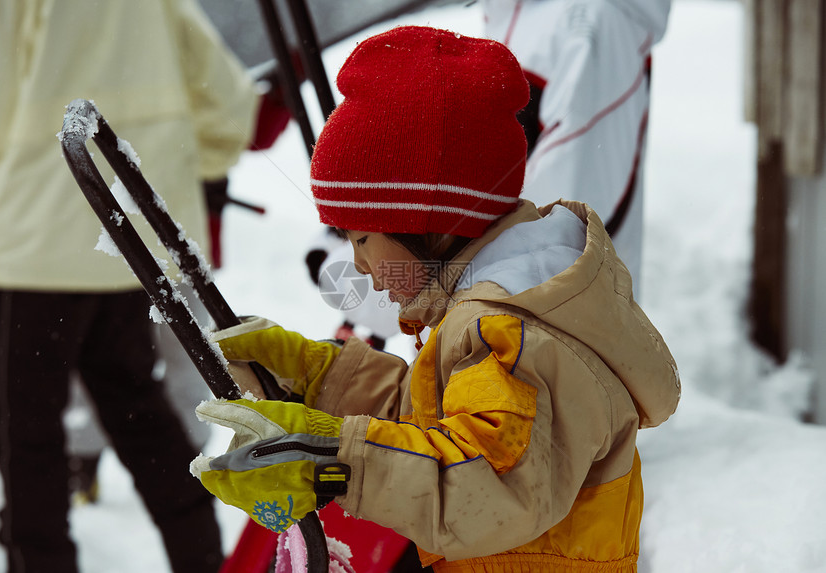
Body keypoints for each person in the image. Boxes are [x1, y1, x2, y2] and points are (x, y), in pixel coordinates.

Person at [191, 26, 680, 571]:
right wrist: (321, 378)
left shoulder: (515, 334)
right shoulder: (503, 312)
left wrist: (332, 462)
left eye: (359, 237)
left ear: (425, 222)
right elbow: (445, 424)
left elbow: (487, 485)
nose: (357, 263)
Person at [0, 1, 262, 571]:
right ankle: (200, 556)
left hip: (38, 249)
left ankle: (40, 561)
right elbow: (228, 108)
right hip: (130, 245)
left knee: (23, 435)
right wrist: (172, 166)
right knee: (136, 406)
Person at [481, 0, 672, 297]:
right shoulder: (519, 13)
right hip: (497, 314)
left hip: (543, 318)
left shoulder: (588, 21)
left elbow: (559, 213)